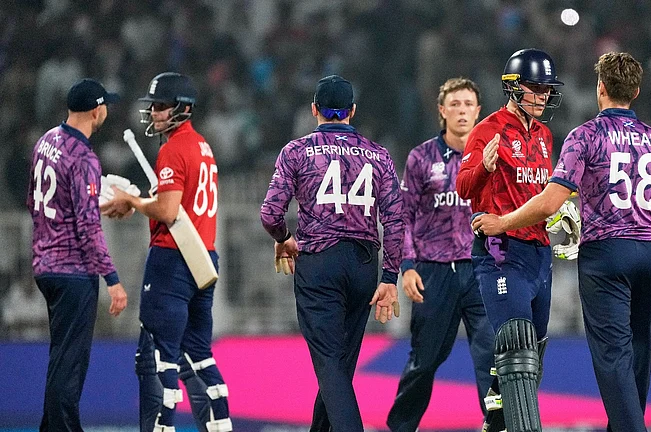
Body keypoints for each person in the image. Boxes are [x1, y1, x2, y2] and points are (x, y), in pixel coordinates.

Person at [472, 52, 651, 432]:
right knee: (640, 351)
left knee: (613, 357)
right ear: (636, 91)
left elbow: (550, 201)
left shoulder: (586, 135)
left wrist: (502, 222)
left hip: (607, 255)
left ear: (600, 88)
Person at [260, 74, 404, 432]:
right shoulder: (379, 154)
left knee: (329, 366)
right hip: (363, 265)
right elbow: (397, 220)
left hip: (319, 263)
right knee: (338, 367)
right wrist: (389, 277)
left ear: (314, 110)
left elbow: (269, 214)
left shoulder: (295, 151)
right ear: (352, 111)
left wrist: (284, 237)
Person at [102, 72, 232, 432]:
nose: (155, 113)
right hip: (203, 256)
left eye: (161, 106)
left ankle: (163, 428)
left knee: (159, 356)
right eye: (154, 106)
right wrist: (147, 201)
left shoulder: (173, 148)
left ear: (183, 108)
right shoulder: (203, 146)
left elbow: (169, 211)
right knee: (200, 355)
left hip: (172, 258)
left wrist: (132, 200)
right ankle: (221, 426)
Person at [456, 48, 564, 432]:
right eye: (536, 88)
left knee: (531, 354)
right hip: (501, 252)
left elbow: (541, 193)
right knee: (517, 347)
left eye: (548, 89)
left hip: (539, 253)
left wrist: (561, 217)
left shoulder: (546, 135)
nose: (544, 96)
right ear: (514, 88)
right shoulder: (488, 130)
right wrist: (484, 168)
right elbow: (463, 186)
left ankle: (495, 421)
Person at [387, 77, 495, 432]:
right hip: (434, 272)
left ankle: (497, 425)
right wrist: (406, 266)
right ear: (442, 111)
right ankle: (401, 427)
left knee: (490, 358)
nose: (462, 111)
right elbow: (404, 215)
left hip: (482, 270)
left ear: (479, 111)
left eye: (468, 104)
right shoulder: (421, 158)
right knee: (425, 360)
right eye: (455, 104)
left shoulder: (492, 156)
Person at [27, 78, 128, 432]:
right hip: (73, 272)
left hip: (45, 266)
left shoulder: (46, 142)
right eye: (105, 107)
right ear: (96, 110)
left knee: (60, 363)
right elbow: (87, 227)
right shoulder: (84, 157)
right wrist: (113, 280)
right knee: (69, 371)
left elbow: (34, 202)